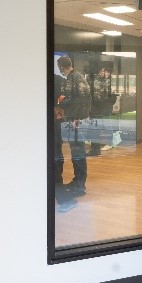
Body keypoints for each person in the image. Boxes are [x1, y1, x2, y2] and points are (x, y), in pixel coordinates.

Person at [56, 56, 91, 198]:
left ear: (61, 67)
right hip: (75, 120)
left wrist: (75, 117)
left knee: (78, 154)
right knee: (76, 153)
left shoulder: (74, 78)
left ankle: (80, 186)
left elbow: (80, 101)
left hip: (76, 121)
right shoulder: (76, 77)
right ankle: (77, 181)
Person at [53, 72, 76, 213]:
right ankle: (64, 199)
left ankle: (63, 198)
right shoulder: (58, 80)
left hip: (52, 126)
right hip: (52, 127)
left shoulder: (56, 80)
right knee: (55, 162)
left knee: (55, 162)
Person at [87, 66, 114, 156]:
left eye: (103, 71)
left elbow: (112, 98)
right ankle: (96, 145)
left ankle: (109, 143)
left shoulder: (110, 83)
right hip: (98, 108)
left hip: (105, 108)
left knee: (107, 125)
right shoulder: (98, 81)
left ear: (108, 72)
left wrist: (105, 103)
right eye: (101, 71)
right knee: (97, 126)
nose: (100, 72)